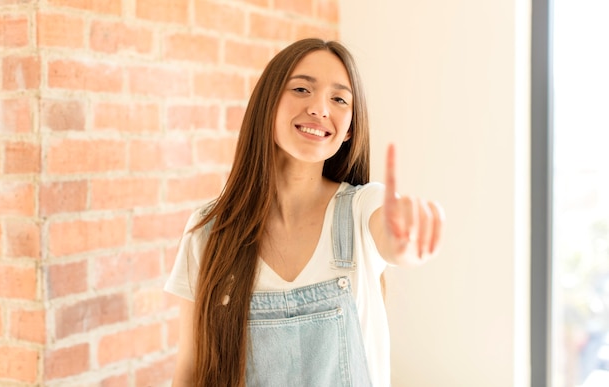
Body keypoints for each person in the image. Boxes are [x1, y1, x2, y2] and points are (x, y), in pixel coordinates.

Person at [164, 38, 444, 387]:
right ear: (268, 104)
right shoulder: (209, 231)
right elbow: (190, 371)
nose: (319, 108)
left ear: (350, 129)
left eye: (339, 99)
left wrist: (406, 243)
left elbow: (390, 236)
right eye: (301, 89)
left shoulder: (363, 209)